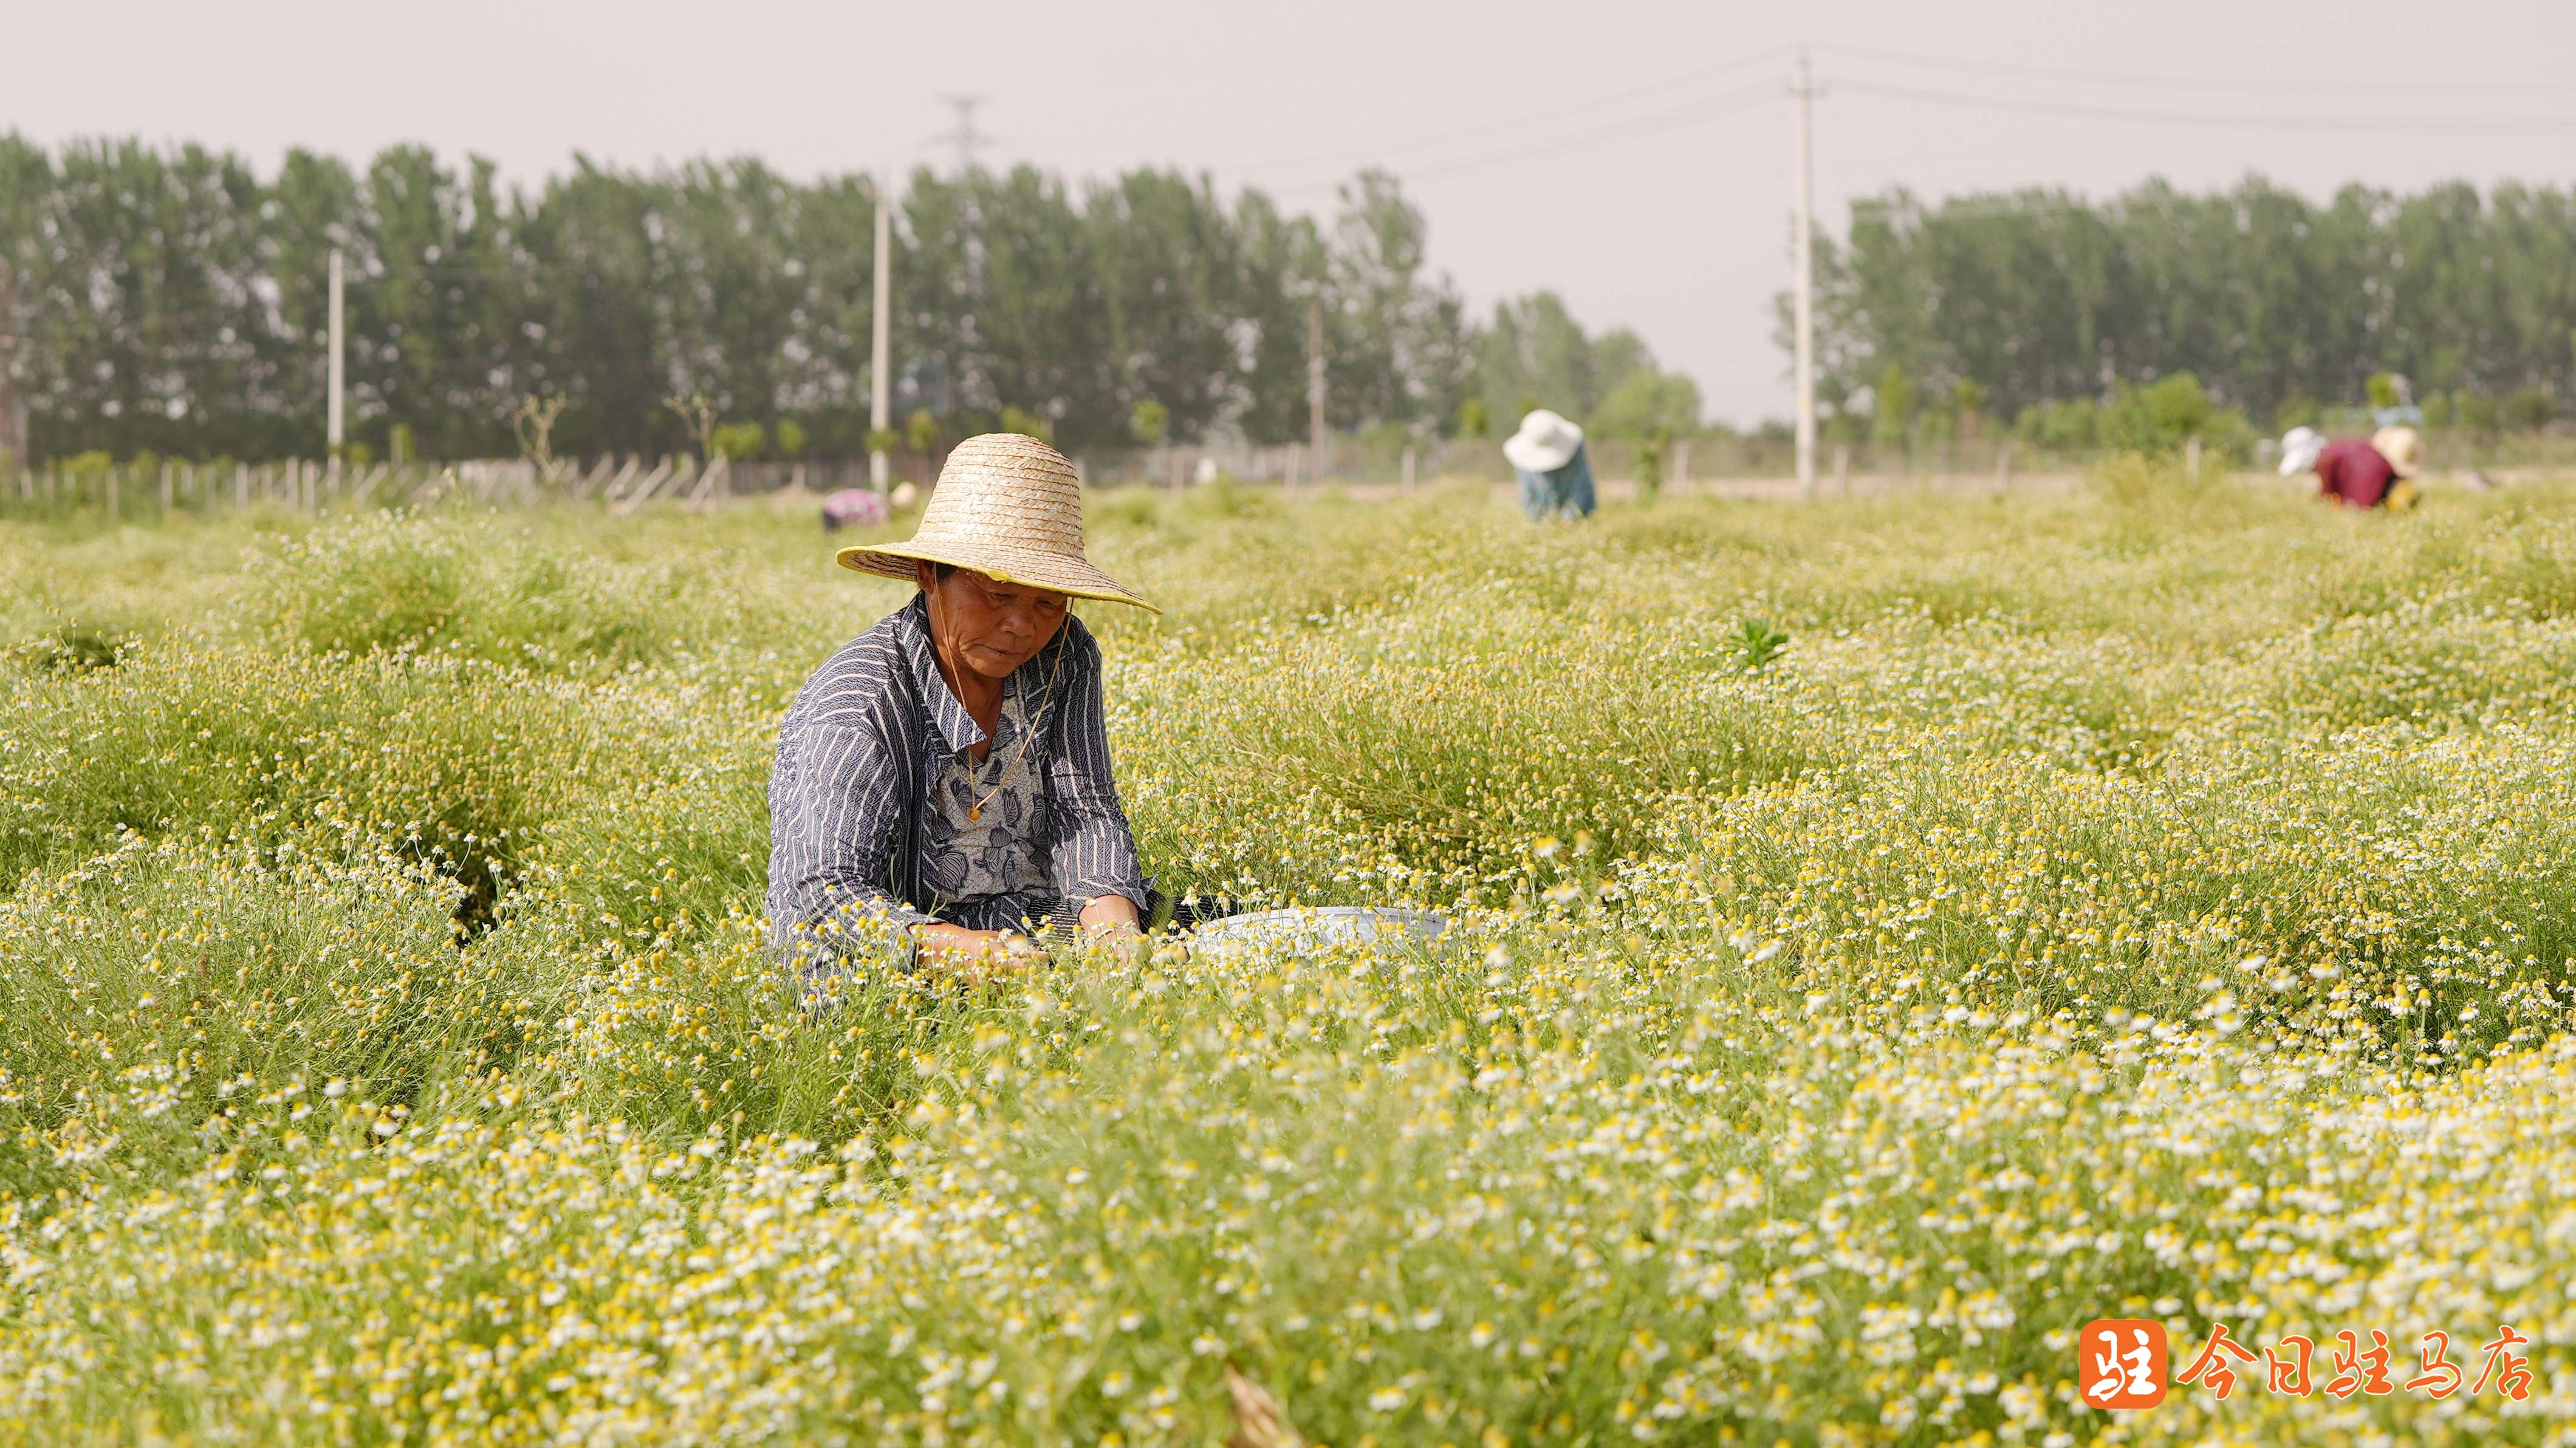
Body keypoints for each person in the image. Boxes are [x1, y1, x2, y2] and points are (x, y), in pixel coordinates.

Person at [767, 432, 1156, 987]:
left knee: (1250, 942)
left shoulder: (1064, 654)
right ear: (931, 574)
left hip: (1038, 926)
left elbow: (1084, 809)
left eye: (1047, 601)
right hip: (895, 968)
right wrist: (981, 958)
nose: (1023, 626)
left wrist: (1114, 934)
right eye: (997, 594)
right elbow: (823, 899)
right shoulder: (859, 703)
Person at [2281, 424, 2422, 511]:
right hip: (2387, 489)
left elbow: (2327, 496)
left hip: (2375, 496)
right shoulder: (2336, 451)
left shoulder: (2326, 459)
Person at [1504, 409, 1595, 521]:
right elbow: (1527, 493)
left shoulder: (1575, 447)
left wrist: (1570, 517)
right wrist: (1537, 520)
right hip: (1544, 515)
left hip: (1579, 512)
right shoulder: (1523, 460)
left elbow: (1581, 484)